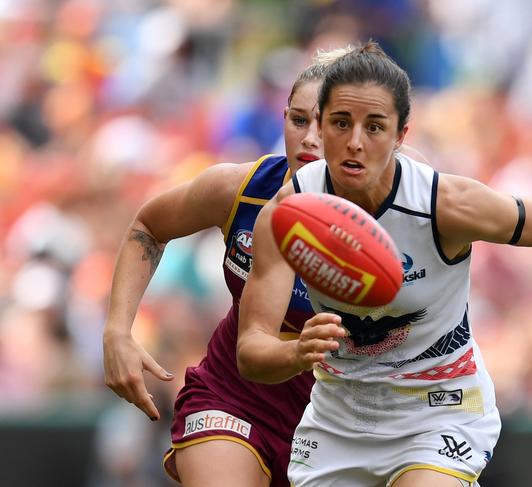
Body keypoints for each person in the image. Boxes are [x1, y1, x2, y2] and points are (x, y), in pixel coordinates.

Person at [237, 41, 532, 487]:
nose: (355, 142)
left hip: (440, 409)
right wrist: (296, 352)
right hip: (341, 419)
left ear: (401, 136)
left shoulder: (443, 205)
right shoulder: (289, 212)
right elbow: (252, 350)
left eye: (375, 127)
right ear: (320, 125)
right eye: (341, 123)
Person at [102, 47, 352, 487]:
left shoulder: (401, 210)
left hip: (348, 418)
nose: (309, 138)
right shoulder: (241, 189)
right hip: (235, 395)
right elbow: (148, 225)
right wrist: (118, 330)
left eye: (327, 123)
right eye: (297, 120)